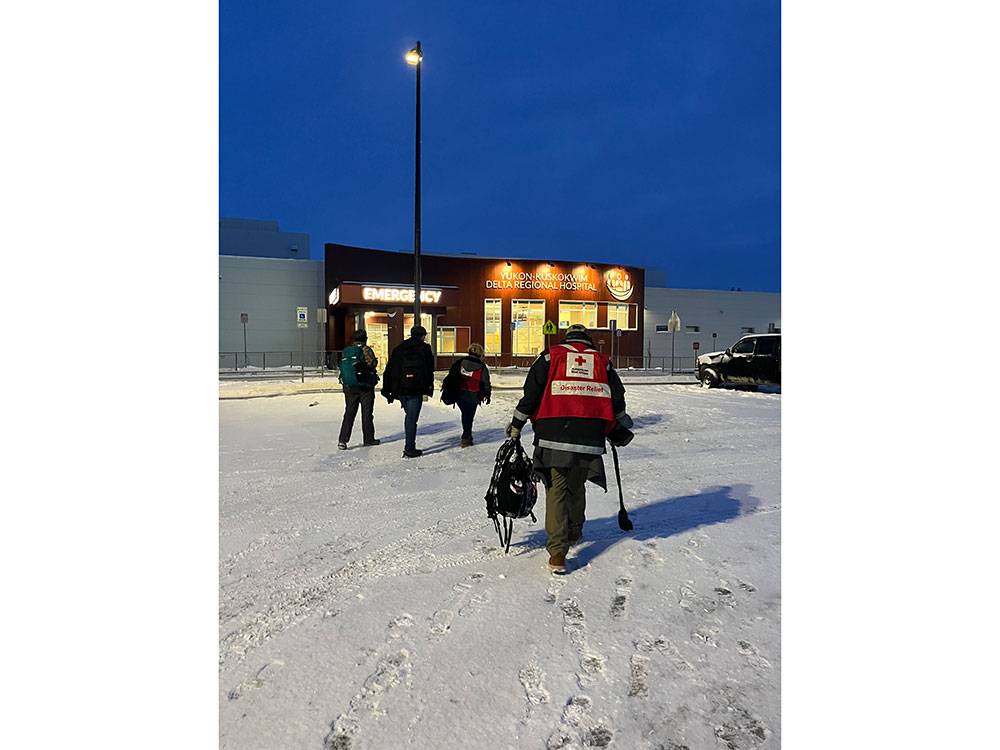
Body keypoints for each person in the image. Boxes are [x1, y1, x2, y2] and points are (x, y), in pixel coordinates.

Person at [505, 324, 630, 573]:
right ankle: (575, 530)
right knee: (577, 483)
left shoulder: (550, 356)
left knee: (556, 490)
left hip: (553, 434)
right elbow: (617, 399)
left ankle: (557, 554)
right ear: (588, 340)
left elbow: (530, 395)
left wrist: (516, 424)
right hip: (590, 434)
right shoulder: (602, 362)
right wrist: (619, 425)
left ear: (567, 338)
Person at [381, 324, 435, 458]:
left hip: (401, 389)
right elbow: (429, 369)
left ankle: (409, 446)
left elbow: (390, 370)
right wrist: (429, 386)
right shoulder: (425, 348)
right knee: (411, 419)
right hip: (416, 389)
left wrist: (387, 389)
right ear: (423, 336)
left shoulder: (399, 349)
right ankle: (409, 448)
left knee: (409, 416)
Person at [338, 329, 380, 450]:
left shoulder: (348, 351)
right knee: (367, 413)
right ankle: (368, 439)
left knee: (349, 412)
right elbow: (372, 364)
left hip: (349, 387)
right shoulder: (366, 350)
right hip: (365, 386)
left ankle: (342, 440)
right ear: (365, 338)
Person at [447, 343, 492, 447]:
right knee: (469, 415)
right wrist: (488, 394)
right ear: (480, 353)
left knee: (465, 414)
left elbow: (451, 376)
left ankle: (467, 434)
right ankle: (466, 436)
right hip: (474, 394)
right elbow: (486, 382)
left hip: (460, 393)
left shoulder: (460, 363)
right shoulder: (481, 367)